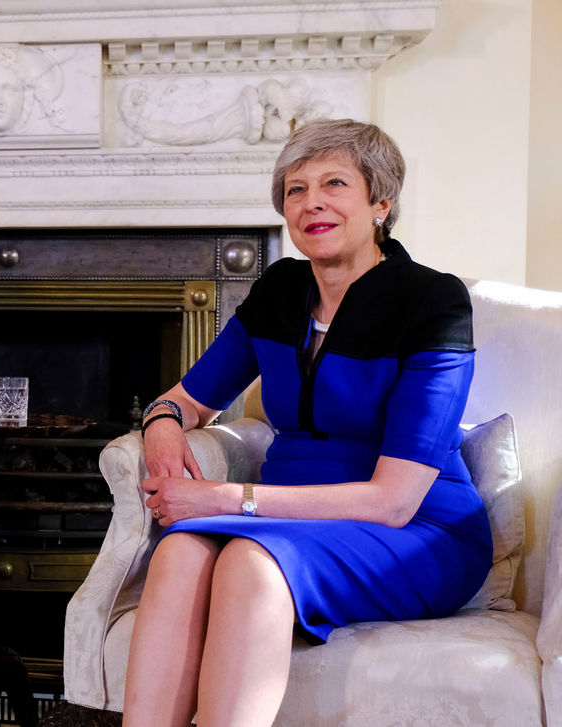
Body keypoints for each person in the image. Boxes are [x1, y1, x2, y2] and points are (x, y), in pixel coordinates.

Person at [122, 118, 491, 727]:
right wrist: (161, 423)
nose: (311, 202)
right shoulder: (280, 291)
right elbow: (187, 400)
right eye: (295, 189)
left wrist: (225, 497)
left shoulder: (432, 302)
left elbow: (394, 500)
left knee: (246, 564)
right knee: (181, 550)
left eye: (334, 184)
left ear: (381, 203)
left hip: (417, 529)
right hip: (288, 513)